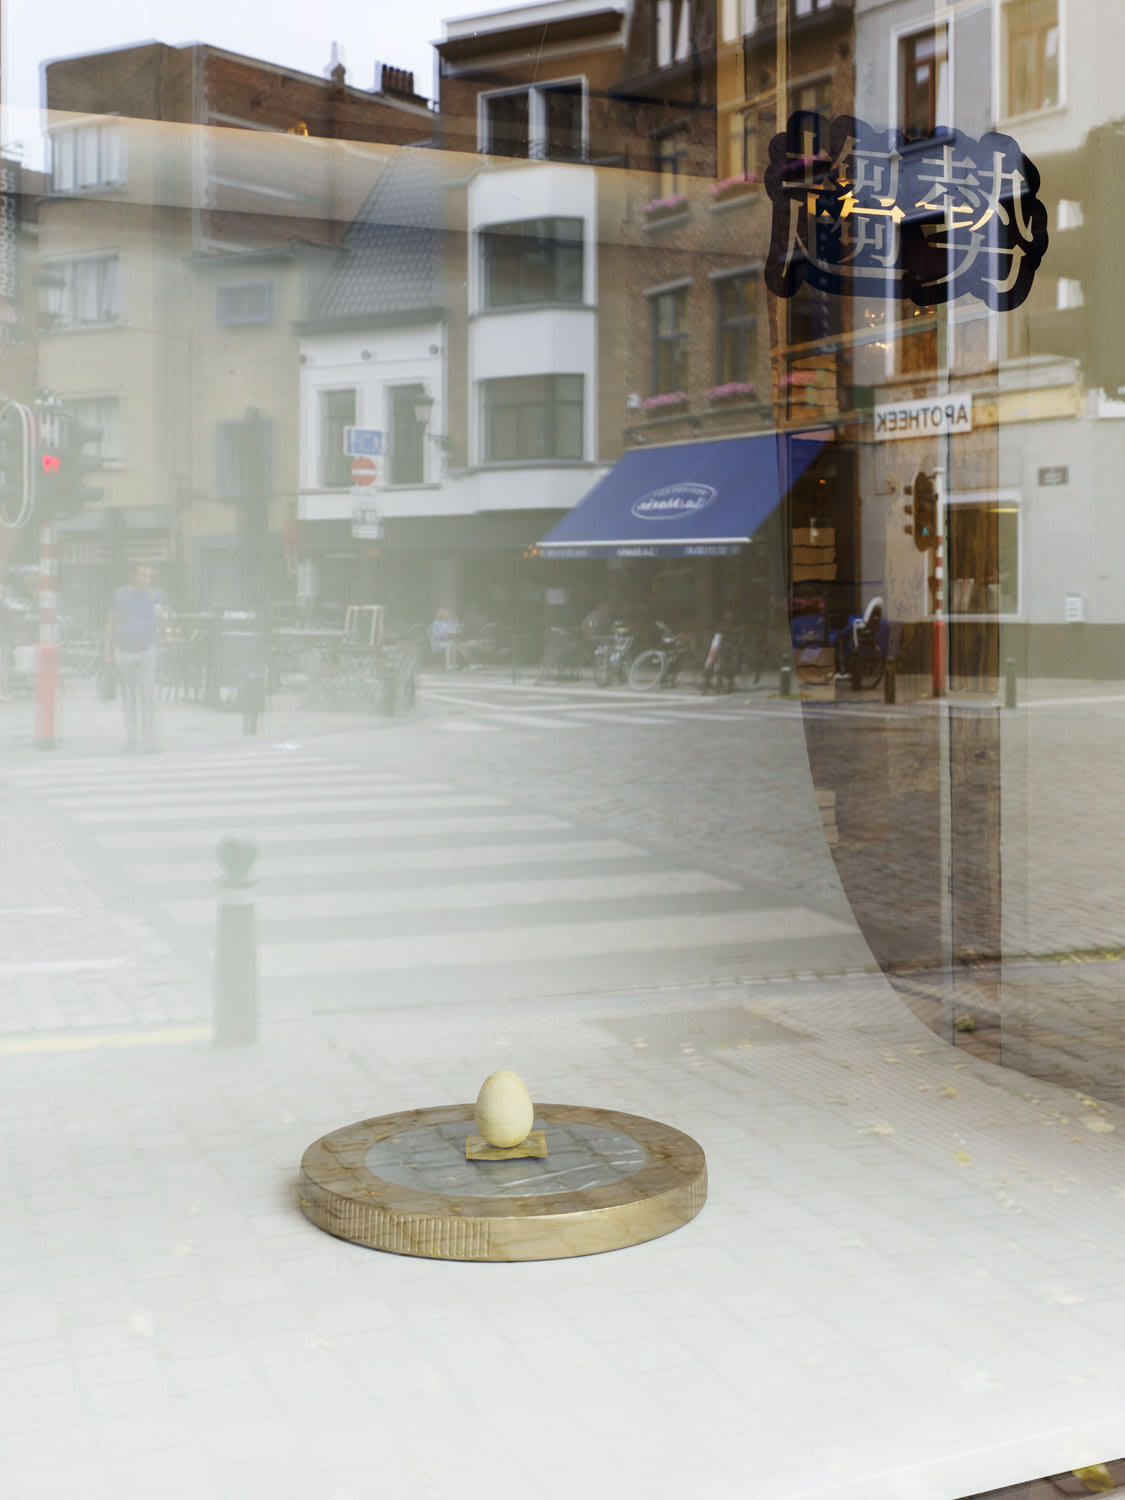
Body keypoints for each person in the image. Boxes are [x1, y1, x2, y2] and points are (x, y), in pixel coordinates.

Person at [105, 564, 167, 751]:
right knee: (129, 697)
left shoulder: (154, 596)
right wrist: (107, 651)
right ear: (132, 576)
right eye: (143, 576)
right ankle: (132, 739)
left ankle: (150, 739)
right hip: (124, 651)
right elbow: (110, 623)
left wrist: (163, 616)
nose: (147, 580)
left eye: (149, 576)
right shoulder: (119, 595)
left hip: (147, 650)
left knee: (148, 695)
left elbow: (163, 620)